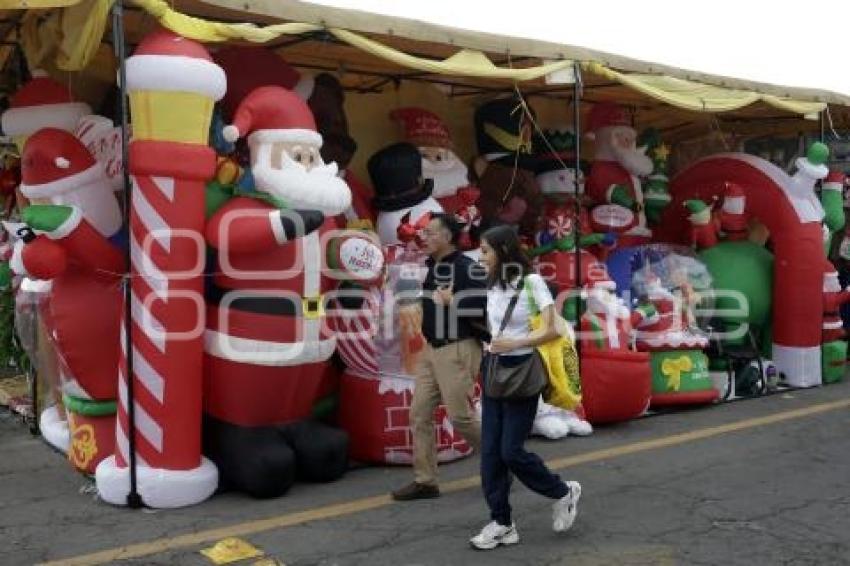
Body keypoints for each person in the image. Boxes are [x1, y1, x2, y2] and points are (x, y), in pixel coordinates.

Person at [470, 224, 581, 550]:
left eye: (486, 250)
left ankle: (563, 492)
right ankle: (502, 522)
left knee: (511, 451)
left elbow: (552, 330)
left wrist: (514, 342)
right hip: (493, 369)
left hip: (522, 371)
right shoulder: (490, 283)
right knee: (490, 453)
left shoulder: (532, 283)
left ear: (504, 251)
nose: (481, 255)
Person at [391, 213, 487, 501]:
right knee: (419, 413)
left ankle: (505, 459)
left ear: (448, 237)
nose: (425, 237)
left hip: (458, 348)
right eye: (424, 233)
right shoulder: (433, 267)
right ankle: (426, 481)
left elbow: (483, 307)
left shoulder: (467, 268)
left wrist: (453, 300)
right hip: (431, 350)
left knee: (460, 417)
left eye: (431, 233)